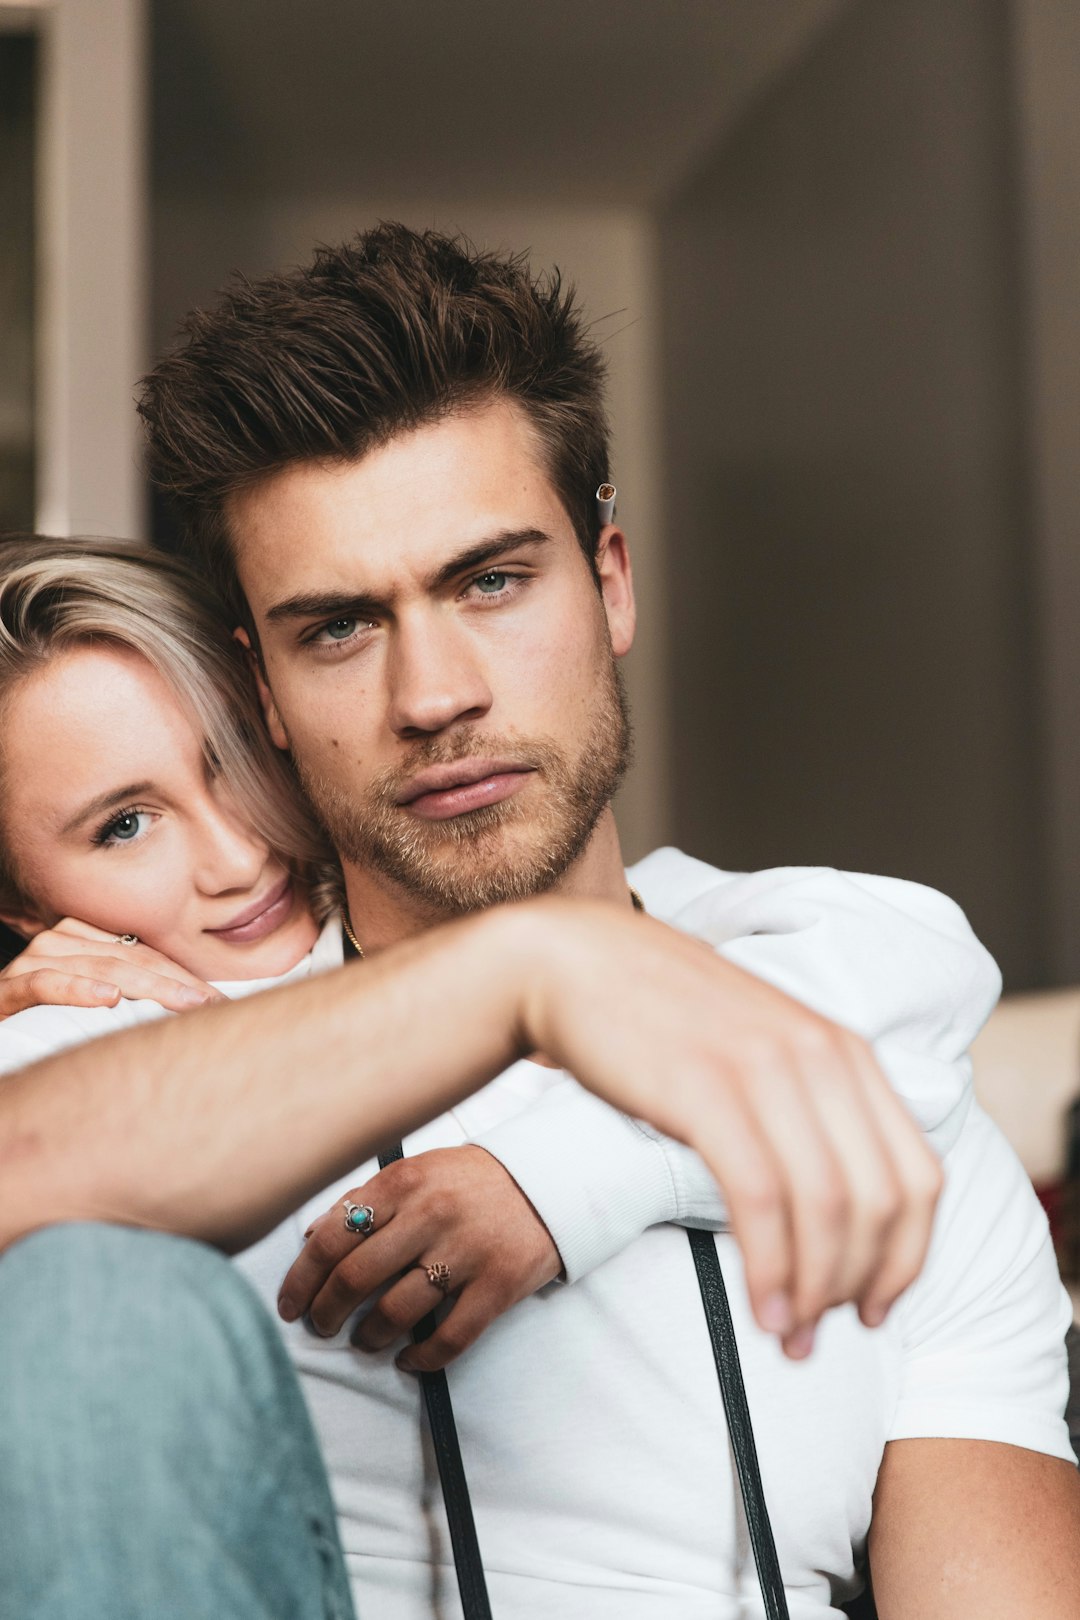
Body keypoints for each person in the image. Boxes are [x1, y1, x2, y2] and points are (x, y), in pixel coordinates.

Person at [0, 225, 1075, 1618]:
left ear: (611, 581)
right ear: (261, 689)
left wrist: (577, 1149)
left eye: (491, 581)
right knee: (94, 1298)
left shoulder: (870, 1091)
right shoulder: (148, 1049)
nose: (435, 692)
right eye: (338, 627)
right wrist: (527, 966)